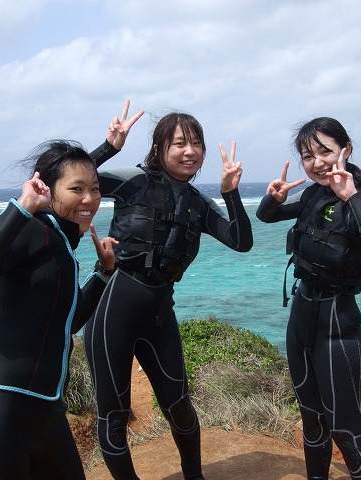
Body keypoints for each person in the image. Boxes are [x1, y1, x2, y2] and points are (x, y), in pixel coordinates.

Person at [83, 110, 254, 480]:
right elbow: (69, 178)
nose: (189, 151)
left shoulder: (199, 204)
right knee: (114, 414)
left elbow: (241, 241)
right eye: (179, 143)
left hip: (160, 310)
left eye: (196, 144)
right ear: (159, 148)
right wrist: (109, 147)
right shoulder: (133, 181)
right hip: (112, 305)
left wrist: (230, 193)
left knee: (179, 405)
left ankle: (194, 475)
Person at [0, 137, 125, 480]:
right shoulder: (30, 229)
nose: (89, 198)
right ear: (47, 189)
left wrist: (103, 273)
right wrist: (22, 206)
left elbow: (67, 323)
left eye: (95, 189)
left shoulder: (60, 247)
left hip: (47, 415)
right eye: (77, 189)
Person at [256, 117, 361, 480]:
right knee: (312, 421)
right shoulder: (313, 195)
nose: (317, 162)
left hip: (337, 323)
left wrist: (351, 196)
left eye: (325, 152)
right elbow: (266, 215)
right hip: (301, 317)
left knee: (346, 430)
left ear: (345, 150)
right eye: (308, 156)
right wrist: (273, 197)